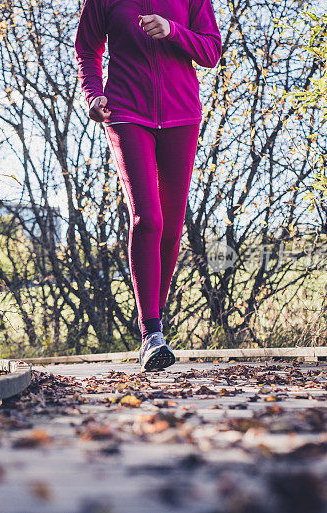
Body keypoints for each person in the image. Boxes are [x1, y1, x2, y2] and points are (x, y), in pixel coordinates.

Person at [74, 0, 221, 371]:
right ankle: (151, 333)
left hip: (181, 116)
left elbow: (211, 51)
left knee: (171, 228)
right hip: (125, 112)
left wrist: (173, 32)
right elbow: (86, 48)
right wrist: (93, 95)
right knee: (147, 219)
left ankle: (155, 325)